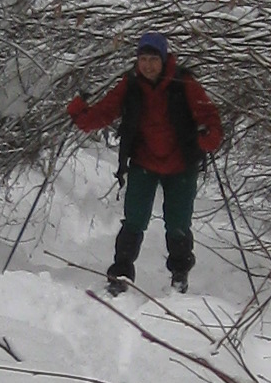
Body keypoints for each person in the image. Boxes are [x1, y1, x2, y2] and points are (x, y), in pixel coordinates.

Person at [66, 31, 225, 293]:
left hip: (180, 164)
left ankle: (179, 274)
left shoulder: (184, 83)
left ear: (163, 59)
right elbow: (103, 113)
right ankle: (120, 274)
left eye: (153, 59)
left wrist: (209, 136)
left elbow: (209, 116)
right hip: (144, 162)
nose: (148, 65)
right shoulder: (130, 85)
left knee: (178, 223)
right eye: (143, 59)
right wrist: (78, 112)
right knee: (134, 220)